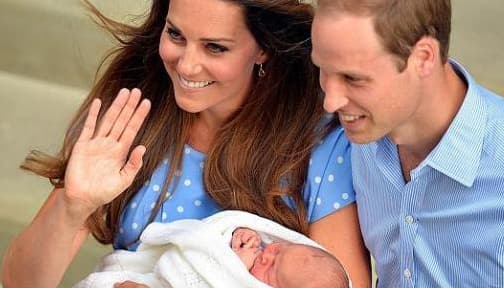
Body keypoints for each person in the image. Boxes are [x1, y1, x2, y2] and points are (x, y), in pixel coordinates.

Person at [2, 0, 370, 287]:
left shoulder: (319, 148)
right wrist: (72, 207)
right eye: (176, 35)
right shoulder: (136, 114)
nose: (187, 66)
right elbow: (21, 282)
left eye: (214, 47)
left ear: (263, 49)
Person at [311, 0, 504, 287]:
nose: (331, 101)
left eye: (353, 79)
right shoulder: (357, 135)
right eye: (323, 70)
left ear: (424, 57)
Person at [75, 211, 350, 288]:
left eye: (273, 267)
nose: (266, 253)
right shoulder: (250, 252)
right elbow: (205, 248)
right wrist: (236, 239)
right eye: (278, 250)